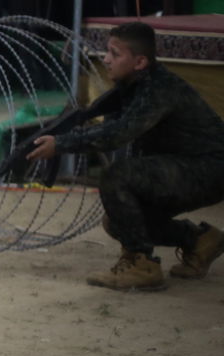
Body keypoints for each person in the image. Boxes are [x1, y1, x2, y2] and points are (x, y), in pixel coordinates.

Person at [25, 23, 224, 291]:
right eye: (107, 51)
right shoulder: (134, 84)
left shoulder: (159, 89)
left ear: (140, 61)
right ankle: (200, 240)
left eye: (114, 53)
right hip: (188, 167)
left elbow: (117, 134)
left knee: (117, 177)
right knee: (120, 220)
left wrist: (61, 144)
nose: (106, 59)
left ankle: (142, 265)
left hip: (210, 169)